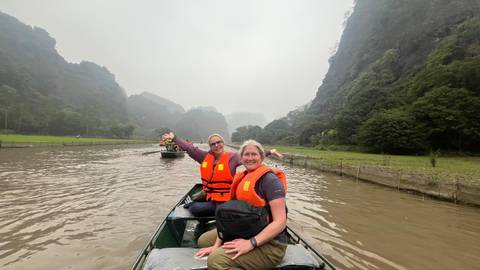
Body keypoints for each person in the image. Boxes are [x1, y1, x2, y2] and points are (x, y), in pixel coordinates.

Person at [195, 140, 288, 270]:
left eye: (254, 154)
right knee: (203, 241)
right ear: (241, 158)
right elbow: (230, 218)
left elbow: (280, 222)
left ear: (261, 156)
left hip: (271, 243)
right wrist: (216, 246)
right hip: (247, 230)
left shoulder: (270, 181)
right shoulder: (241, 178)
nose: (250, 158)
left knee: (215, 261)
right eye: (246, 154)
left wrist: (251, 243)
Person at [161, 132, 283, 217]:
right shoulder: (204, 157)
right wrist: (174, 138)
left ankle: (197, 206)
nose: (216, 145)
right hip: (210, 195)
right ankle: (196, 203)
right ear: (210, 146)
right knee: (194, 199)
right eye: (213, 144)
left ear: (223, 143)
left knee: (194, 208)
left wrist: (270, 152)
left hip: (225, 201)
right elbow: (189, 148)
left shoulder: (233, 158)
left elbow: (250, 158)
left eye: (218, 142)